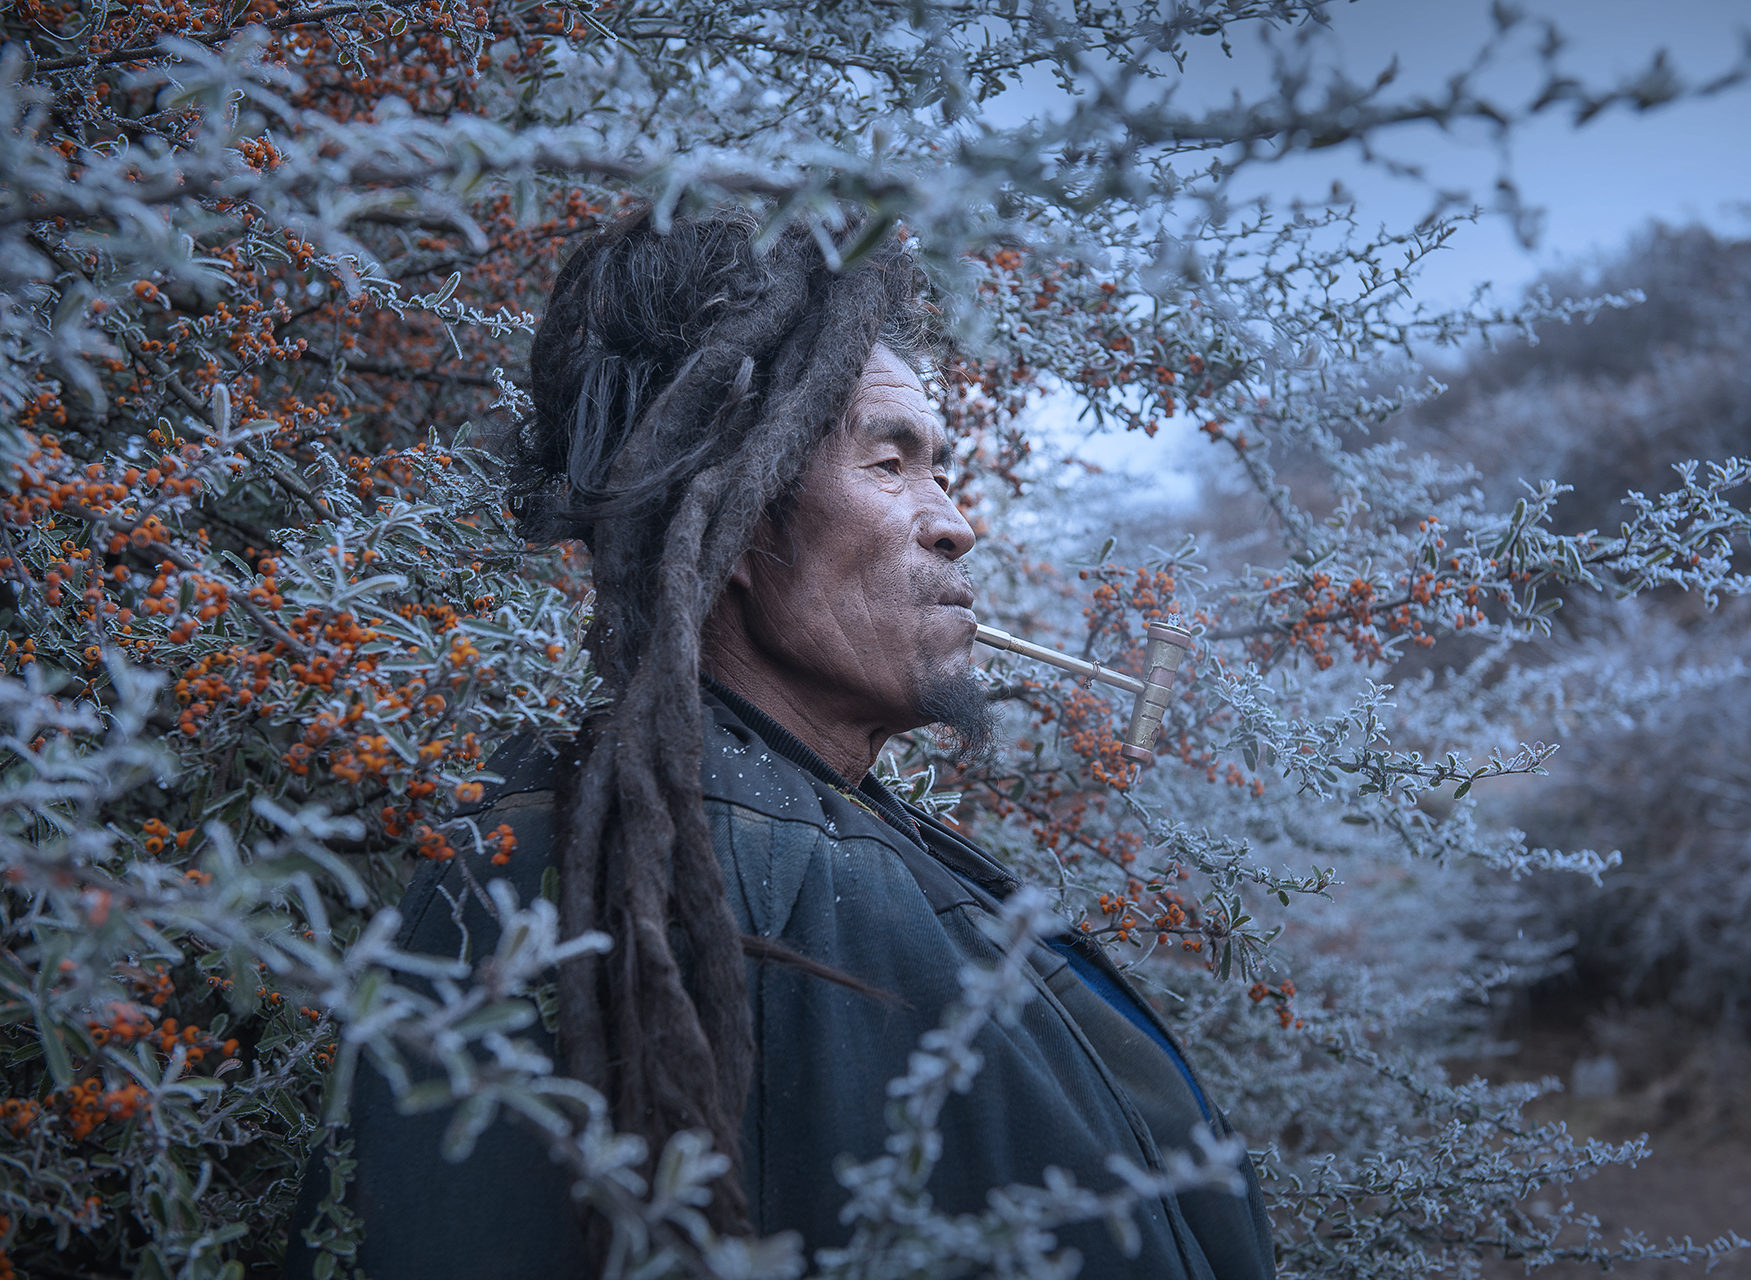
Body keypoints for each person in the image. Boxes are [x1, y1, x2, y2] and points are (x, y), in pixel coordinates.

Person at [283, 208, 1272, 1279]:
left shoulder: (857, 842)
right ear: (738, 512)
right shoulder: (577, 879)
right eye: (891, 463)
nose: (955, 521)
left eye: (939, 467)